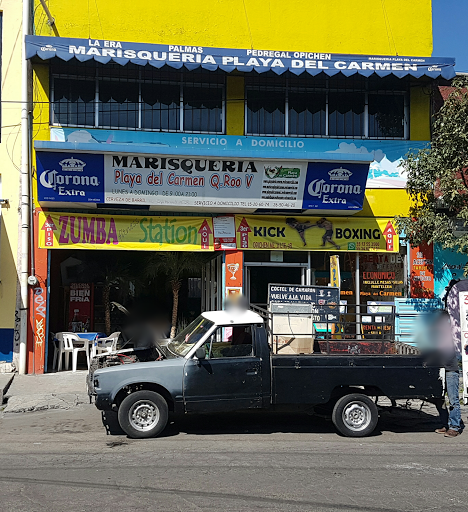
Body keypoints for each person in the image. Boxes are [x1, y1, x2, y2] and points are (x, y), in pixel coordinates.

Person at [431, 311, 463, 437]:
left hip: (450, 370)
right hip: (441, 370)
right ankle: (446, 424)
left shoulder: (448, 335)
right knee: (439, 399)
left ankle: (454, 427)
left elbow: (446, 354)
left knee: (453, 399)